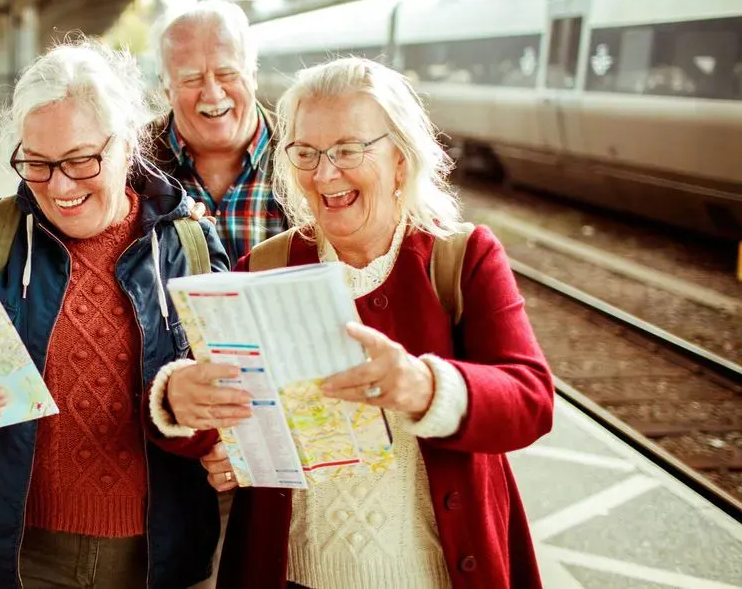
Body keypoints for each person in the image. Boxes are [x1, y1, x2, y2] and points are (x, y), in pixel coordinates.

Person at [154, 57, 554, 588]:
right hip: (294, 575)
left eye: (348, 149)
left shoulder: (463, 259)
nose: (324, 173)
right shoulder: (266, 267)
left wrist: (423, 386)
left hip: (432, 575)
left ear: (401, 160)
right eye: (307, 152)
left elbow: (530, 400)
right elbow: (216, 422)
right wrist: (181, 407)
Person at [0, 39, 231, 589]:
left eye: (80, 161)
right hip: (18, 557)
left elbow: (230, 399)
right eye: (38, 165)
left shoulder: (187, 246)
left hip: (156, 559)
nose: (59, 187)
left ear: (126, 144)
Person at [149, 0, 288, 265]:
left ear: (253, 74)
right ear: (166, 90)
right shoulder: (132, 166)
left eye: (227, 74)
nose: (212, 94)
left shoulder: (305, 153)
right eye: (191, 79)